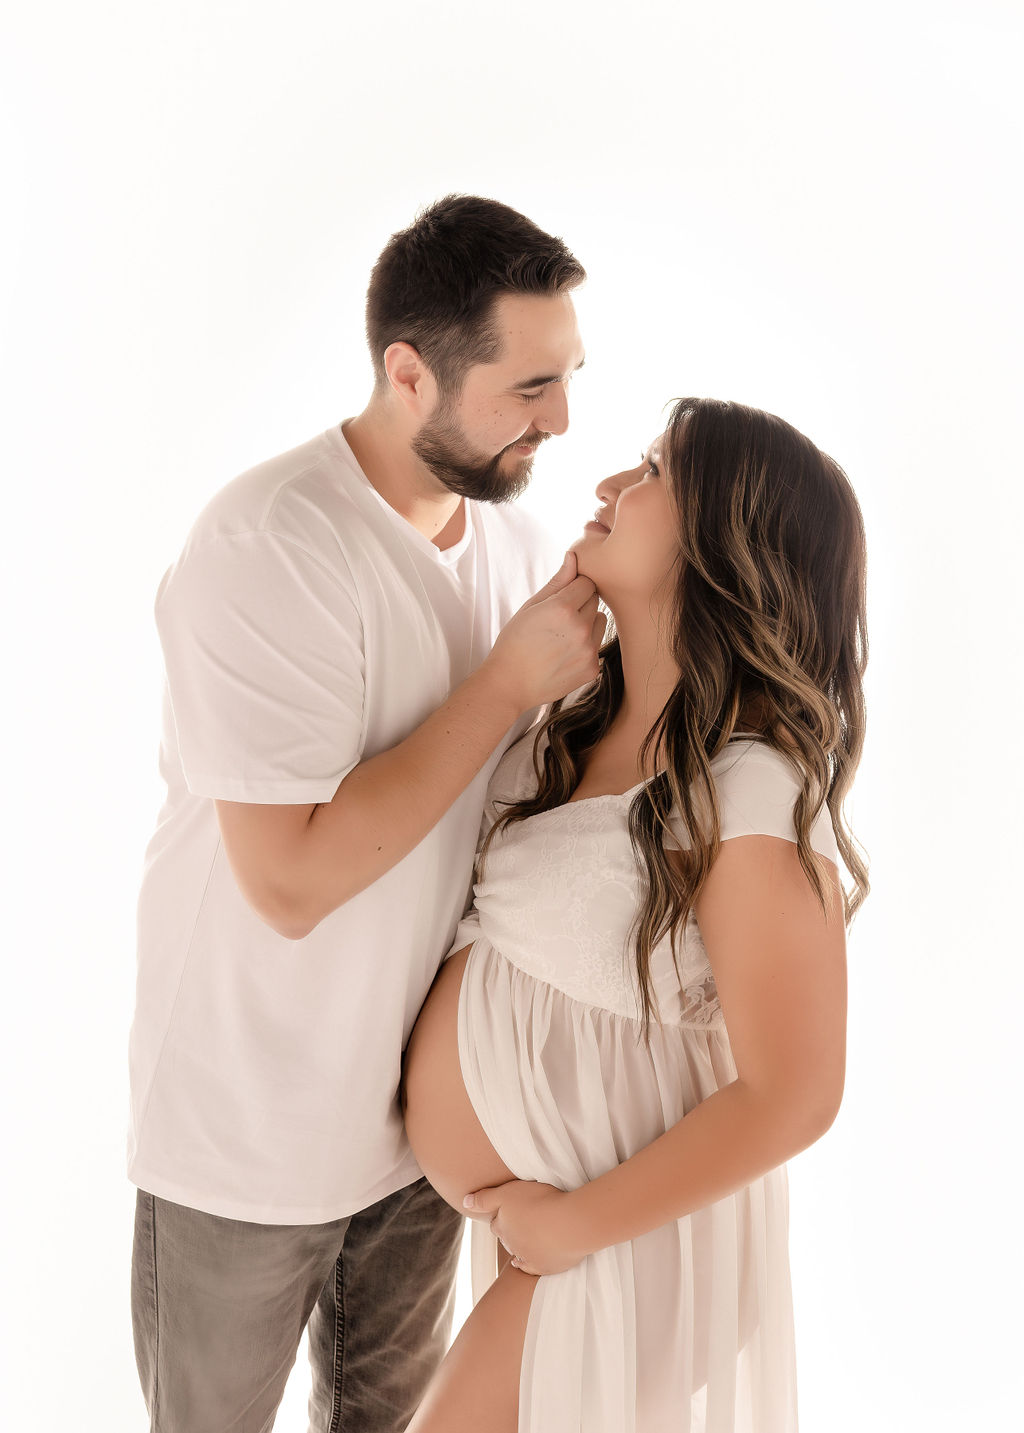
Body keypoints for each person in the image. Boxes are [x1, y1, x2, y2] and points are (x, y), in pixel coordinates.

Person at [127, 194, 601, 1433]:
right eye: (529, 386)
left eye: (568, 379)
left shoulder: (512, 545)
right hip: (245, 1137)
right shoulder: (269, 542)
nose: (560, 419)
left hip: (419, 1146)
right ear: (408, 372)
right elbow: (286, 883)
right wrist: (505, 682)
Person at [401, 396, 869, 1433]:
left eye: (652, 469)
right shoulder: (573, 727)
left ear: (722, 543)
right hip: (562, 1232)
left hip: (621, 1240)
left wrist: (573, 1225)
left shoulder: (747, 792)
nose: (611, 484)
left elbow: (796, 1092)